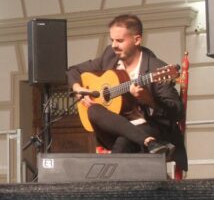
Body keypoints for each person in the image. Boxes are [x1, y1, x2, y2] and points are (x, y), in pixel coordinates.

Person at [67, 14, 187, 170]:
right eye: (112, 40)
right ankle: (149, 142)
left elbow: (177, 112)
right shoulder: (109, 57)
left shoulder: (156, 69)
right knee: (93, 110)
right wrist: (78, 89)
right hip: (115, 128)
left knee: (124, 143)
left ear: (137, 40)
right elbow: (72, 71)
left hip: (150, 127)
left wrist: (149, 99)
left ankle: (112, 187)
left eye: (120, 41)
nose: (114, 45)